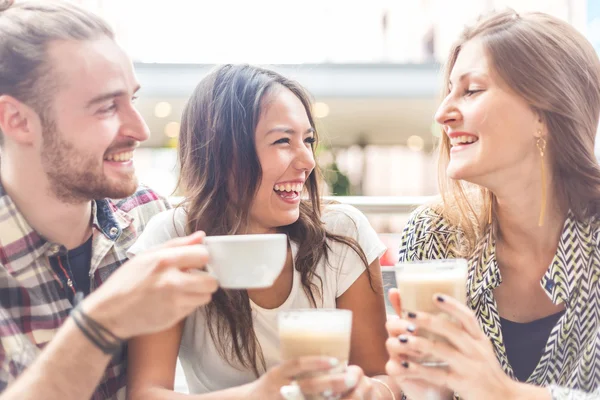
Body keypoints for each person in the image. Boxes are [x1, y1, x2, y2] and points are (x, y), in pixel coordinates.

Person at [126, 64, 401, 400]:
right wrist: (263, 395)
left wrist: (366, 392)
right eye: (283, 141)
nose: (307, 161)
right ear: (223, 154)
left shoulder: (342, 232)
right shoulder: (173, 239)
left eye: (308, 140)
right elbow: (146, 393)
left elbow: (381, 375)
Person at [0, 1, 220, 399]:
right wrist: (100, 324)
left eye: (132, 99)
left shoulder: (150, 215)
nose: (140, 129)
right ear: (17, 121)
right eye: (106, 107)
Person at [385, 9, 600, 400]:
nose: (442, 114)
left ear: (543, 114)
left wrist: (502, 392)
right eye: (449, 90)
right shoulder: (433, 232)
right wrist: (423, 393)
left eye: (471, 91)